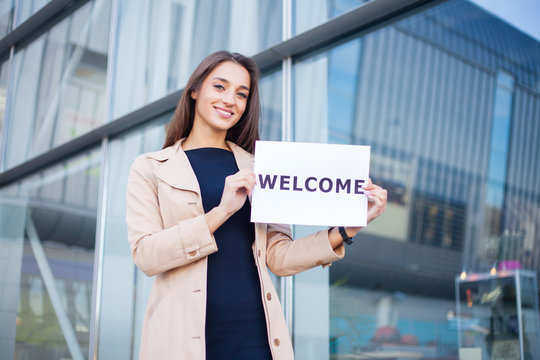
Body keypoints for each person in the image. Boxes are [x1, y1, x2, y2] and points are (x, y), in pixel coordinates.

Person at [126, 51, 387, 360]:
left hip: (256, 335)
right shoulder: (151, 168)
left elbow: (278, 256)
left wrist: (347, 228)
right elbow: (146, 255)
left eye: (242, 94)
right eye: (219, 87)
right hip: (181, 339)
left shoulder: (261, 168)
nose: (230, 100)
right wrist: (221, 212)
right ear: (195, 91)